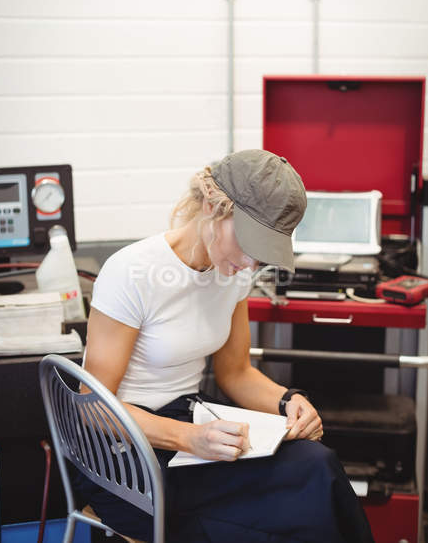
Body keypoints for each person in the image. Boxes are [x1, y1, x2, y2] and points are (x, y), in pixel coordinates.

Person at [73, 149, 374, 543]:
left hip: (191, 429)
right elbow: (93, 409)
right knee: (284, 511)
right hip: (121, 453)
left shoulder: (233, 273)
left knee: (318, 465)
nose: (251, 264)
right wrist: (187, 438)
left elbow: (236, 373)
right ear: (214, 208)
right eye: (249, 243)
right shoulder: (132, 272)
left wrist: (288, 401)